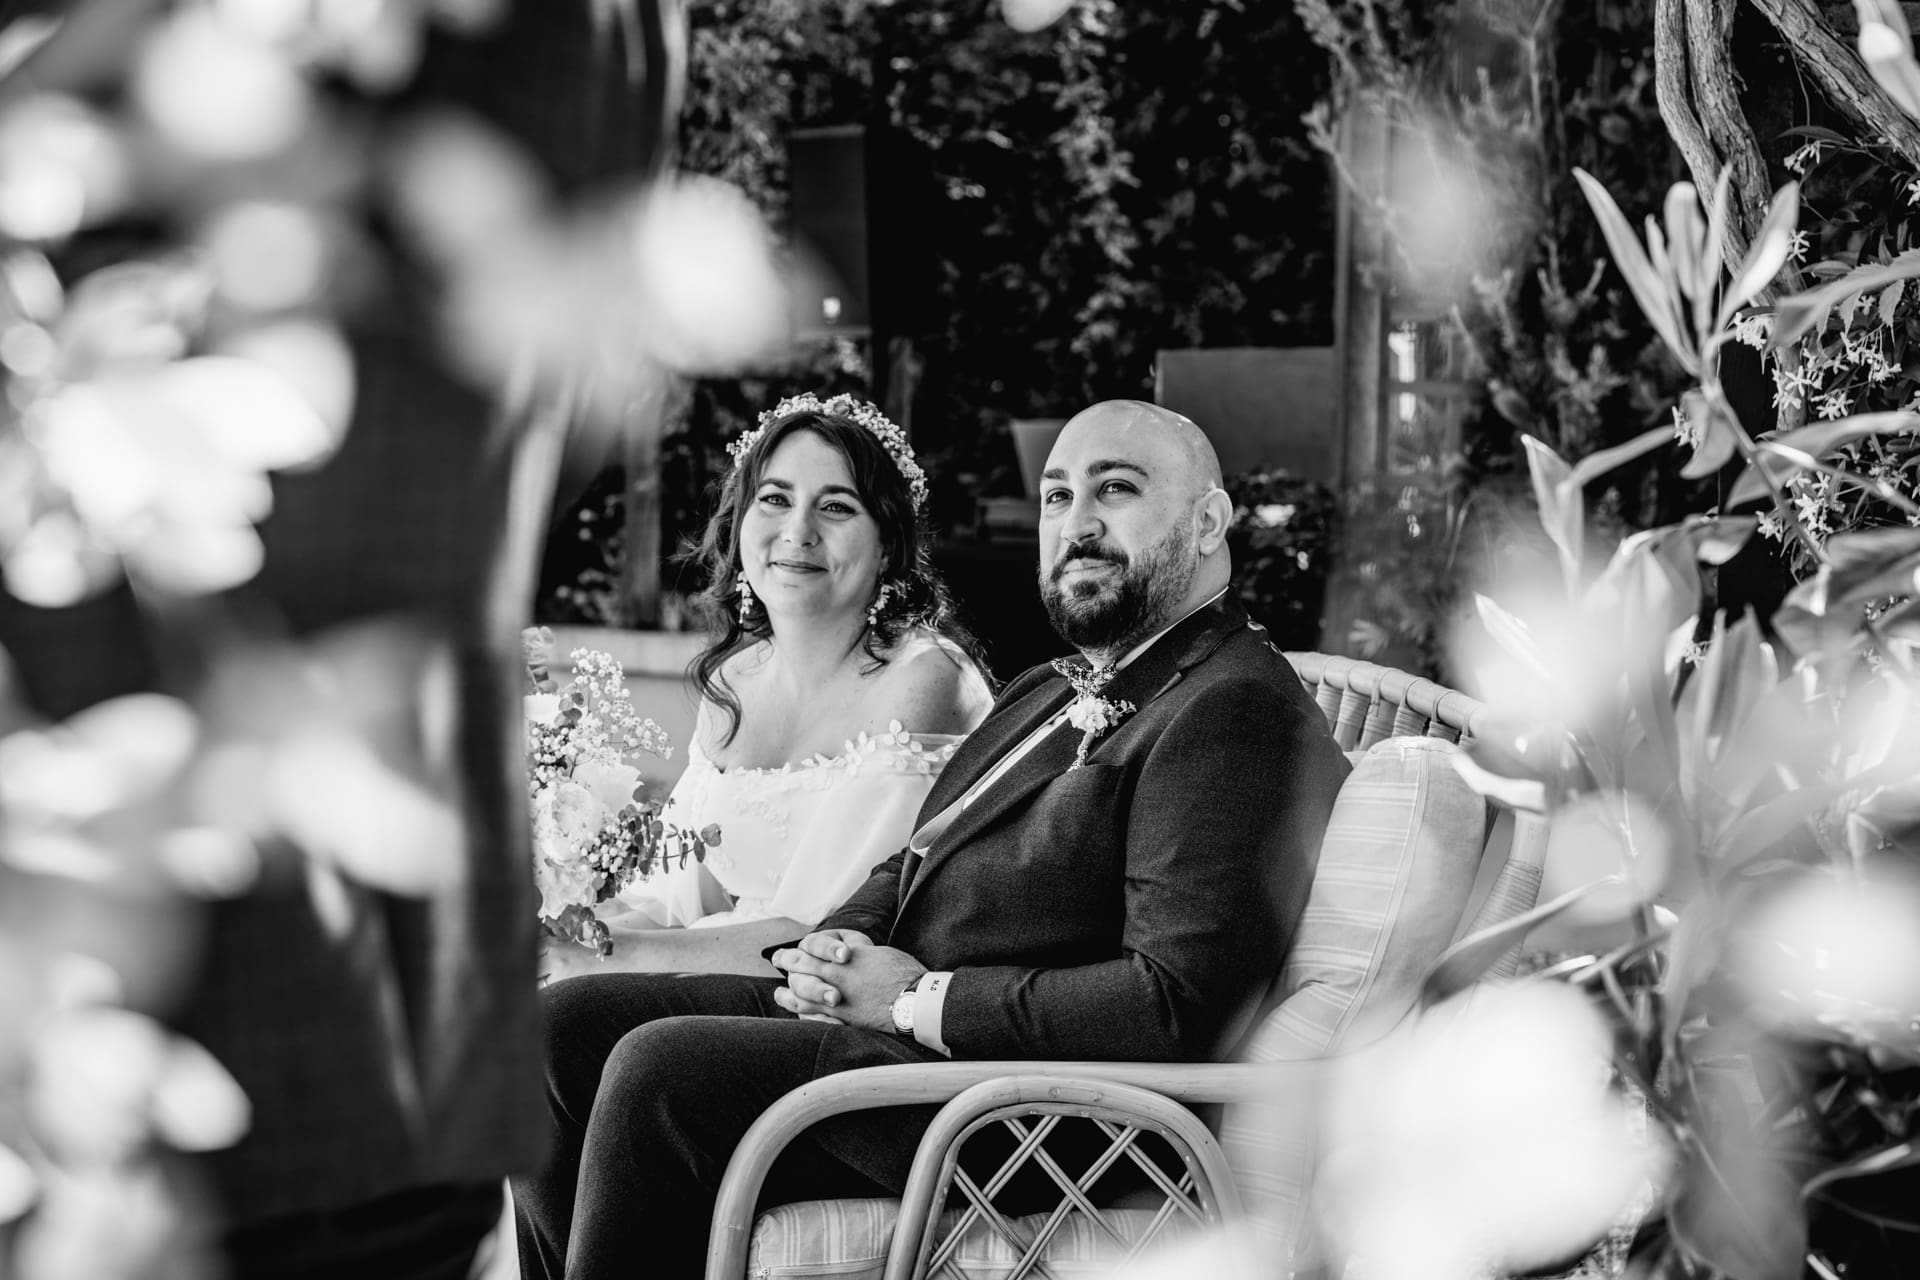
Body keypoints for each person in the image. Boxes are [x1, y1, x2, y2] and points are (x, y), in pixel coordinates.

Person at [511, 399, 1351, 1279]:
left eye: (1117, 491)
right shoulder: (1057, 686)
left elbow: (1171, 1007)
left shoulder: (1232, 708)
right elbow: (915, 855)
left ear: (1210, 521)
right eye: (1057, 498)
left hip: (1017, 1107)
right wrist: (841, 940)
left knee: (660, 1075)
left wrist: (918, 1000)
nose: (1078, 524)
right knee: (553, 1032)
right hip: (898, 1043)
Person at [539, 392, 995, 984]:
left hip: (825, 1010)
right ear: (740, 527)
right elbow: (675, 901)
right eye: (775, 499)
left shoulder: (924, 681)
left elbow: (830, 938)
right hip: (713, 980)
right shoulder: (734, 678)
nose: (798, 531)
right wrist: (568, 925)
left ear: (887, 545)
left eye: (836, 507)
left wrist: (613, 955)